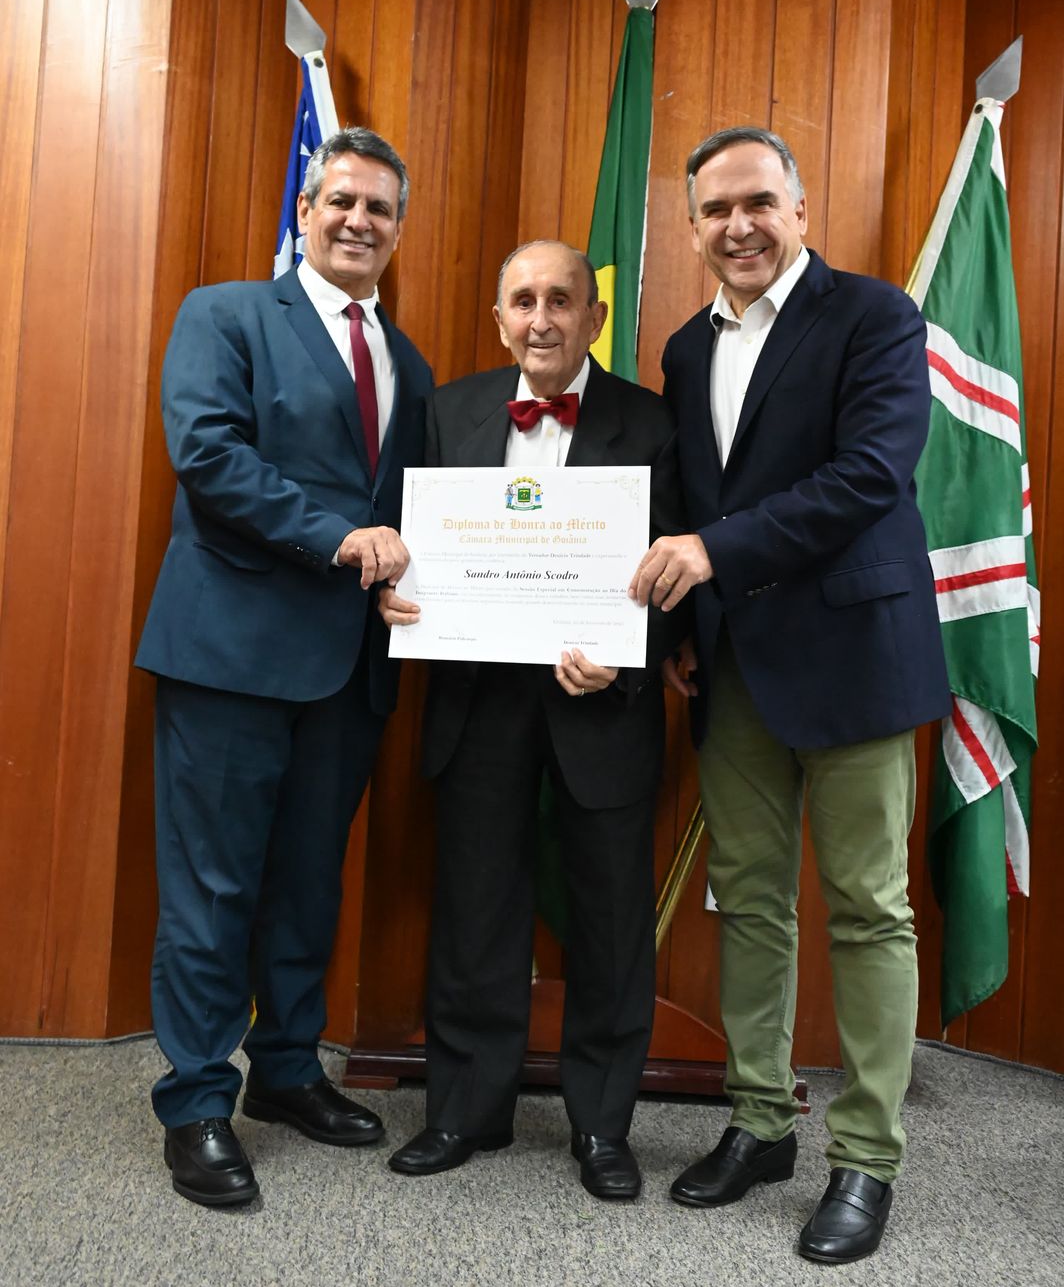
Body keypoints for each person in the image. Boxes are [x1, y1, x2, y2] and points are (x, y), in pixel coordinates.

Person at [631, 126, 950, 1262]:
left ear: (800, 211)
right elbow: (688, 497)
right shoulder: (683, 348)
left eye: (758, 201)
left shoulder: (873, 317)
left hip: (855, 658)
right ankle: (760, 1121)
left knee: (867, 909)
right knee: (751, 903)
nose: (739, 226)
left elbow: (869, 476)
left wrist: (712, 555)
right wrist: (679, 625)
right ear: (691, 228)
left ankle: (865, 1156)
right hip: (733, 667)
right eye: (715, 209)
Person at [136, 127, 433, 1206]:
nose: (359, 220)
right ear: (305, 212)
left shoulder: (407, 361)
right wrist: (340, 540)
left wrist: (412, 573)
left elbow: (405, 514)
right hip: (231, 655)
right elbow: (208, 455)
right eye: (340, 200)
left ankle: (289, 1070)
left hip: (348, 669)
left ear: (397, 230)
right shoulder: (224, 314)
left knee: (309, 881)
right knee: (214, 886)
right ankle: (196, 1101)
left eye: (380, 209)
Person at [380, 240, 684, 1200]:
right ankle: (464, 1110)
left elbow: (680, 572)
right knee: (476, 907)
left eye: (561, 300)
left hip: (602, 703)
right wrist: (397, 594)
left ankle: (602, 1124)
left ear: (594, 317)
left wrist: (631, 651)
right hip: (477, 700)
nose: (542, 319)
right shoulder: (449, 410)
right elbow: (412, 543)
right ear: (500, 318)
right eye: (523, 301)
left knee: (611, 918)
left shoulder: (654, 422)